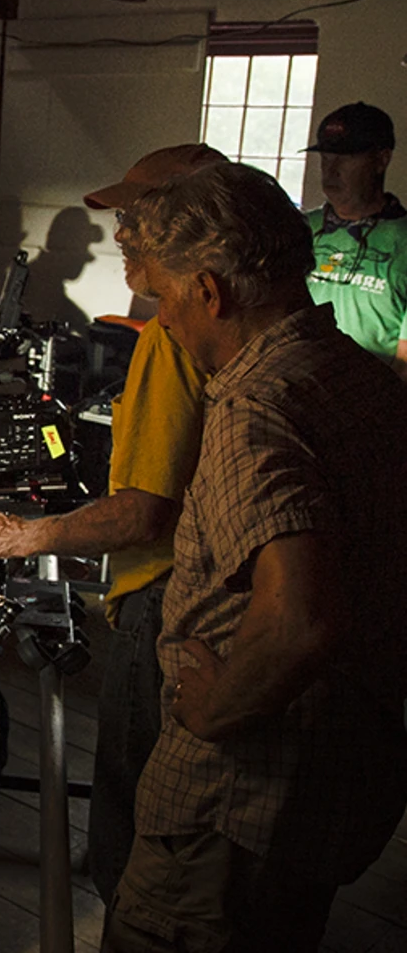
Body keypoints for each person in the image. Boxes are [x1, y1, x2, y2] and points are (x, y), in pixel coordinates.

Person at [102, 162, 407, 952]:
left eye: (164, 297)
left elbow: (298, 621)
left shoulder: (253, 409)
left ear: (210, 292)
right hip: (336, 786)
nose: (163, 320)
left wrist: (215, 709)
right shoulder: (357, 376)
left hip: (232, 806)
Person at [0, 144, 226, 908]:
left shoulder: (172, 336)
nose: (121, 235)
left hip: (162, 599)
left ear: (187, 227)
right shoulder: (221, 329)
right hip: (198, 593)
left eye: (138, 218)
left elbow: (144, 510)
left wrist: (20, 537)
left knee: (131, 808)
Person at [303, 101, 407, 380]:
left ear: (381, 160)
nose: (331, 170)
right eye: (325, 158)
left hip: (371, 397)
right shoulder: (299, 229)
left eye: (346, 158)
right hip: (297, 389)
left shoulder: (403, 242)